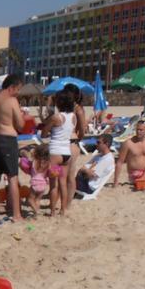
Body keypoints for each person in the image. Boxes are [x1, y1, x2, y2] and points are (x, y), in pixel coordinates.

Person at [0, 75, 26, 224]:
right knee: (12, 177)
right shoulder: (11, 100)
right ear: (12, 87)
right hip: (7, 139)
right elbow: (21, 125)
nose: (18, 93)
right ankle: (17, 215)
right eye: (18, 89)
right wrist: (22, 115)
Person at [41, 90, 75, 217]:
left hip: (55, 152)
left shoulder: (56, 117)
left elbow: (44, 133)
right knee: (63, 183)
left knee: (53, 184)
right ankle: (63, 209)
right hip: (67, 152)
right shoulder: (73, 116)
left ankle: (53, 211)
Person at [62, 83, 88, 213]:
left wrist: (78, 138)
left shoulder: (78, 109)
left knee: (70, 175)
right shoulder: (65, 107)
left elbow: (82, 129)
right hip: (66, 142)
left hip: (72, 142)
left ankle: (67, 204)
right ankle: (63, 202)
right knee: (61, 174)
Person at [116, 120, 145, 187]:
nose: (138, 132)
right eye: (137, 130)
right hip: (135, 173)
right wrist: (115, 181)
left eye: (141, 130)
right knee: (144, 182)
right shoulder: (128, 143)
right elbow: (120, 162)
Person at [25, 144, 51, 217]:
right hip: (43, 184)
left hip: (35, 184)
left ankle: (36, 211)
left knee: (30, 200)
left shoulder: (34, 161)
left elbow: (27, 158)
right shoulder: (48, 163)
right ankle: (36, 214)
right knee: (37, 200)